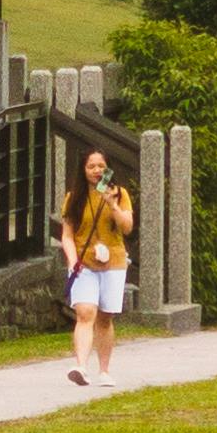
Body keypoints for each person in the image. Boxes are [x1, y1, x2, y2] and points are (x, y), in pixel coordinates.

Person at [64, 143, 136, 387]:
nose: (96, 170)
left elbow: (127, 227)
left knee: (105, 318)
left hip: (114, 262)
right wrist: (73, 261)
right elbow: (67, 235)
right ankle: (81, 366)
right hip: (83, 264)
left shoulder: (119, 194)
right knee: (85, 312)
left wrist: (112, 204)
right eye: (91, 166)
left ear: (108, 170)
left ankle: (104, 370)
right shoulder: (73, 197)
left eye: (101, 166)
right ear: (83, 169)